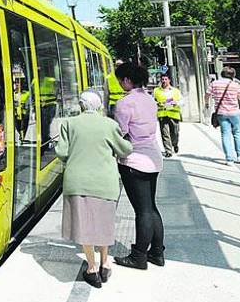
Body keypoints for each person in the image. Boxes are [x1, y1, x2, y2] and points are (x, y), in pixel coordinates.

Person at [56, 90, 132, 288]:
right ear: (99, 106)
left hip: (77, 181)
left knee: (84, 225)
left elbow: (62, 152)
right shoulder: (109, 125)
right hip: (105, 182)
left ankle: (91, 268)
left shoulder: (69, 124)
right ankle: (105, 264)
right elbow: (124, 149)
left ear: (81, 105)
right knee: (103, 223)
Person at [113, 62, 165, 270]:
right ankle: (157, 253)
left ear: (127, 80)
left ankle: (139, 256)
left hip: (134, 161)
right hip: (153, 158)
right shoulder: (150, 99)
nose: (120, 84)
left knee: (142, 211)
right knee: (151, 207)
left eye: (120, 80)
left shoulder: (124, 103)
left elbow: (120, 132)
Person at [206, 66, 240, 165]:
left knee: (225, 134)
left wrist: (206, 103)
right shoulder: (235, 84)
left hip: (221, 112)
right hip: (234, 112)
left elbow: (207, 94)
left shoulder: (214, 83)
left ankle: (229, 159)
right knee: (237, 132)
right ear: (233, 75)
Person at [153, 74, 182, 157]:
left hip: (174, 115)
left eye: (166, 79)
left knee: (175, 133)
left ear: (169, 80)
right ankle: (168, 151)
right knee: (165, 133)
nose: (164, 81)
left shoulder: (175, 91)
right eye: (162, 79)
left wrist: (176, 103)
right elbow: (152, 100)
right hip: (162, 115)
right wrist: (157, 103)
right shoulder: (156, 91)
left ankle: (175, 144)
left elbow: (182, 101)